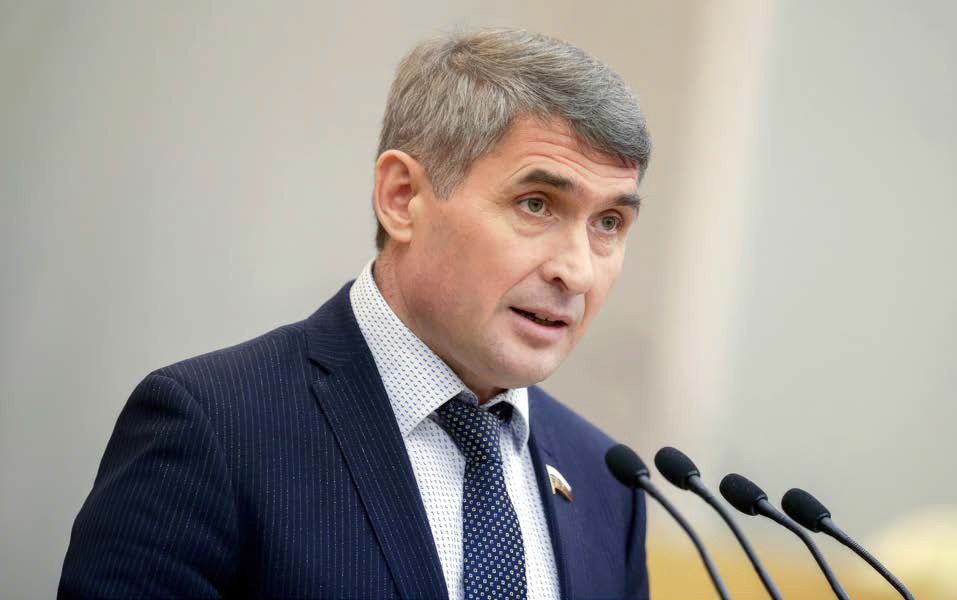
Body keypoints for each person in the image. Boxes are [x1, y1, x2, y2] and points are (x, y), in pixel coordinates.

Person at [60, 27, 651, 599]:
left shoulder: (609, 483)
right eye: (536, 204)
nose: (577, 272)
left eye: (609, 223)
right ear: (402, 197)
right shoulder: (213, 428)